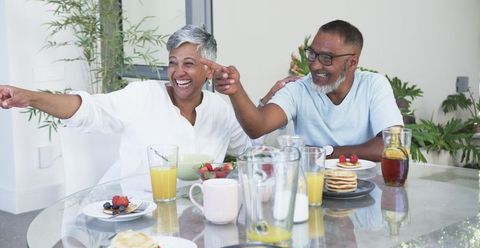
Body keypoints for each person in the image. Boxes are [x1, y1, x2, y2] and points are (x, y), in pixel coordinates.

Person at [0, 25, 251, 182]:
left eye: (188, 64)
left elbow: (251, 150)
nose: (177, 73)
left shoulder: (220, 109)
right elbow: (88, 109)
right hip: (134, 214)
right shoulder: (143, 96)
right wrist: (30, 97)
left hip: (198, 214)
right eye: (173, 62)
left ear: (209, 71)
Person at [202, 19, 403, 161]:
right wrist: (236, 90)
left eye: (326, 58)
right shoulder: (299, 90)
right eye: (312, 54)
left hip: (367, 192)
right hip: (314, 192)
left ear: (352, 63)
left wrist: (324, 152)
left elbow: (392, 146)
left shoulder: (374, 85)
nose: (314, 65)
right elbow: (257, 127)